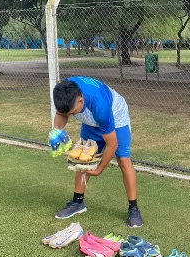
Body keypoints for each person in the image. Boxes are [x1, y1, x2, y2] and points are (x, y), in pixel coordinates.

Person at [50, 76, 143, 228]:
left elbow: (112, 144)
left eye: (73, 113)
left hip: (115, 115)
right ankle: (78, 202)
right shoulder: (64, 93)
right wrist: (56, 132)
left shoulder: (101, 107)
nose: (72, 116)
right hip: (90, 119)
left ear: (80, 99)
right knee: (84, 156)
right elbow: (62, 114)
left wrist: (99, 168)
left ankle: (133, 208)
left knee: (123, 159)